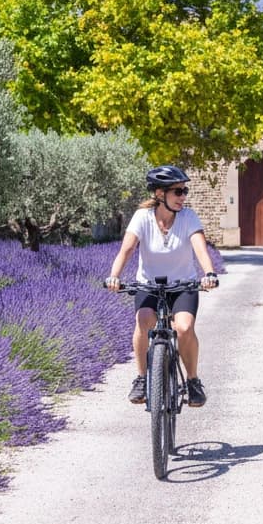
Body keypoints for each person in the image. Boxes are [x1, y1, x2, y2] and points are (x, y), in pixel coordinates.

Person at [105, 165, 219, 406]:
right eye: (177, 192)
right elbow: (126, 251)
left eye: (184, 191)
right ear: (159, 194)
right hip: (149, 285)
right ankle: (142, 377)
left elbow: (200, 248)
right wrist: (114, 276)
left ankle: (192, 381)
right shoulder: (142, 217)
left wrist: (209, 272)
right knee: (143, 320)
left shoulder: (188, 217)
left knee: (184, 328)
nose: (183, 197)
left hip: (183, 285)